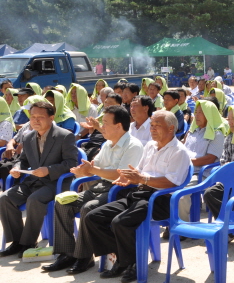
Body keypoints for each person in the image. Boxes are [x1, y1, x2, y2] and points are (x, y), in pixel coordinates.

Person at [83, 111, 192, 282]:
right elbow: (138, 171)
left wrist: (142, 179)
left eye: (157, 125)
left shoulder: (179, 151)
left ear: (171, 128)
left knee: (120, 222)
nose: (152, 129)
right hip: (140, 194)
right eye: (152, 125)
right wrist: (127, 177)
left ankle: (132, 263)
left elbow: (173, 182)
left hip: (161, 200)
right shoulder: (150, 146)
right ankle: (124, 258)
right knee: (93, 217)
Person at [41, 105, 145, 273]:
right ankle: (67, 253)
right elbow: (95, 166)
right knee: (61, 203)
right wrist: (83, 170)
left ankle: (84, 257)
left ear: (118, 126)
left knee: (87, 208)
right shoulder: (107, 144)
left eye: (105, 122)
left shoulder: (133, 145)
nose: (101, 127)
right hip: (101, 187)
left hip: (120, 190)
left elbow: (122, 175)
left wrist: (92, 170)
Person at [0, 102, 78, 257]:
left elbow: (72, 163)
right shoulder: (28, 137)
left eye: (40, 117)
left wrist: (48, 170)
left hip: (55, 183)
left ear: (51, 117)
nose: (35, 120)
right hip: (32, 181)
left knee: (34, 200)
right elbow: (23, 160)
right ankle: (16, 241)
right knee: (4, 198)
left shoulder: (65, 136)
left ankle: (28, 243)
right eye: (33, 117)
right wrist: (16, 168)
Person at [185, 100, 228, 179]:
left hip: (201, 174)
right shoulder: (193, 131)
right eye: (196, 112)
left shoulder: (217, 134)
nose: (196, 115)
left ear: (209, 115)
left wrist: (185, 162)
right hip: (184, 169)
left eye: (200, 112)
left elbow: (209, 159)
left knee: (178, 188)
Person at [80, 93, 122, 161]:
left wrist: (97, 127)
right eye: (105, 102)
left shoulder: (120, 118)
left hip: (104, 145)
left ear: (118, 105)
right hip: (93, 142)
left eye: (110, 103)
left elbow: (113, 136)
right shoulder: (104, 115)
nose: (107, 105)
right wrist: (92, 127)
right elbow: (93, 133)